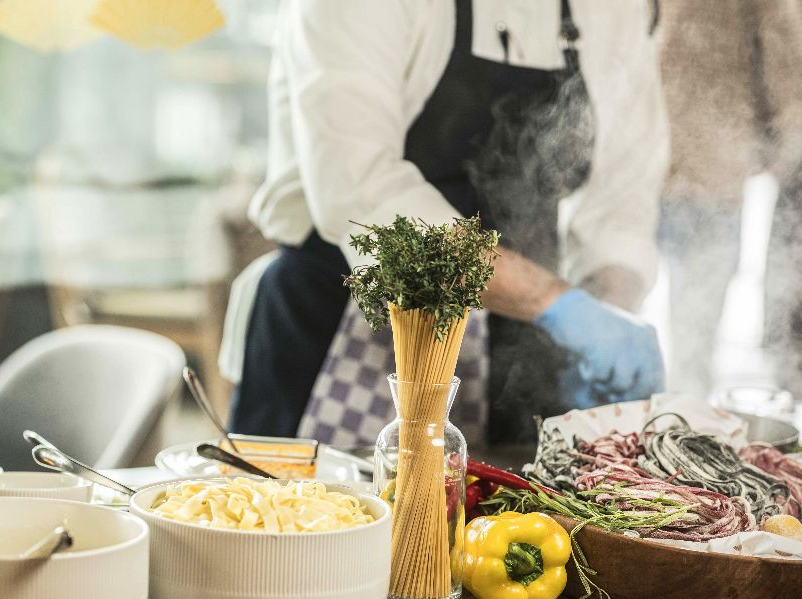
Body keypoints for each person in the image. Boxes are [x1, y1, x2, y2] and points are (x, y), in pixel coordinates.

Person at [225, 0, 668, 445]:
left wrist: (605, 313)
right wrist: (556, 302)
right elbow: (362, 190)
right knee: (308, 509)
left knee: (512, 511)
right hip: (347, 321)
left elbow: (623, 196)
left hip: (523, 342)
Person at [656, 1, 802, 397]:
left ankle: (648, 413)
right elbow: (786, 59)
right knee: (695, 326)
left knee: (640, 296)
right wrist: (781, 147)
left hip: (657, 147)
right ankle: (681, 421)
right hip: (713, 159)